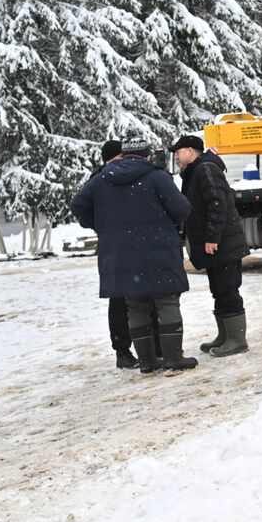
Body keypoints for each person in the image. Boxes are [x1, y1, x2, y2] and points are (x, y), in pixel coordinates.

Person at [71, 142, 198, 375]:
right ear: (147, 157)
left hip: (120, 254)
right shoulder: (157, 177)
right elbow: (182, 209)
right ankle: (172, 358)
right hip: (158, 249)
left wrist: (102, 225)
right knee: (166, 301)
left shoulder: (101, 179)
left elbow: (77, 205)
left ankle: (148, 363)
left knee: (136, 305)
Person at [171, 134, 251, 357]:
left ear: (190, 151)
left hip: (223, 244)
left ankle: (237, 339)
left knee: (228, 290)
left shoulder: (205, 169)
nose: (176, 156)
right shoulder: (197, 170)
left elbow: (218, 204)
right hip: (218, 246)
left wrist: (212, 237)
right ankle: (225, 335)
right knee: (219, 290)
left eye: (178, 151)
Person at [87, 140, 138, 368]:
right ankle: (125, 350)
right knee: (122, 301)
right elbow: (81, 208)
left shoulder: (97, 180)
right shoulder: (100, 180)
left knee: (126, 299)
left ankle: (128, 350)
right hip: (122, 245)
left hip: (116, 246)